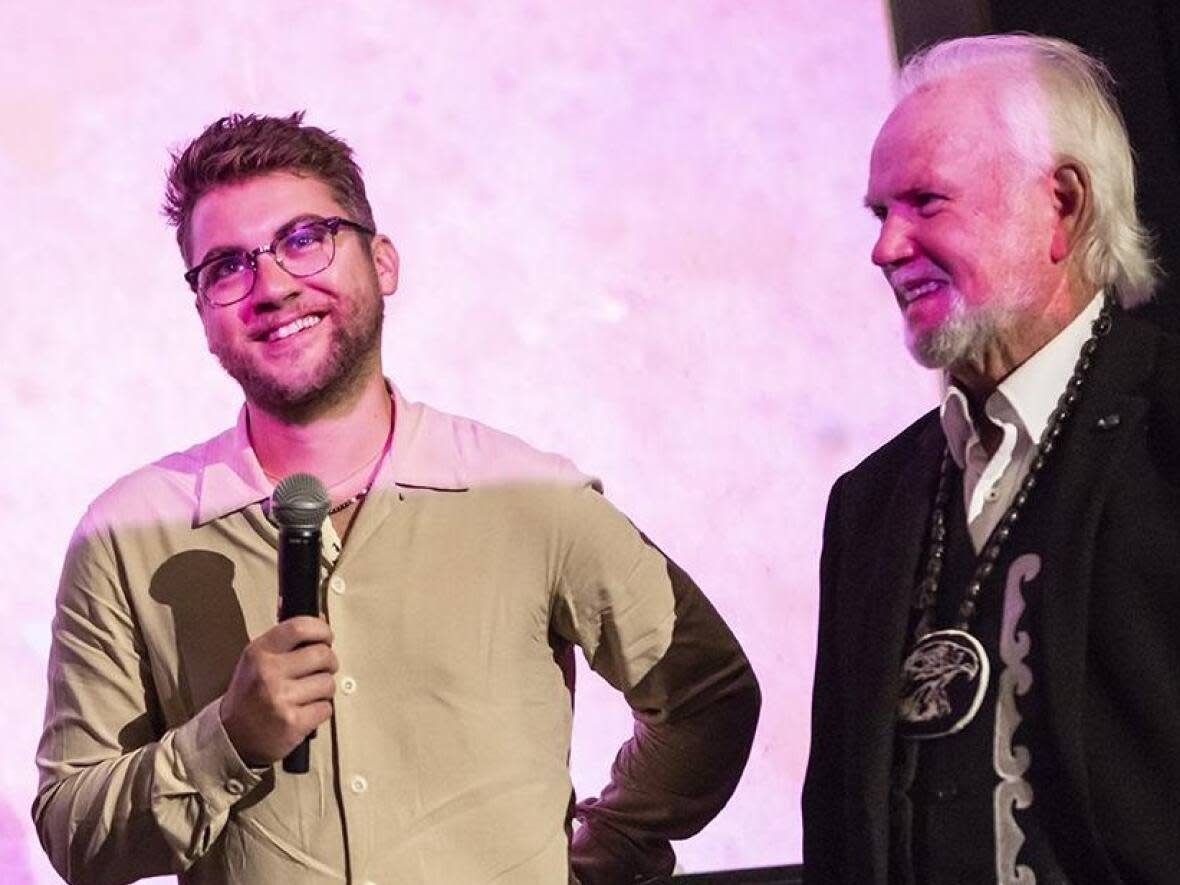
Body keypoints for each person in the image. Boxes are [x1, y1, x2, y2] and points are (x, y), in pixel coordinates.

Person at [33, 113, 760, 885]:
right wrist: (228, 741)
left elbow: (707, 695)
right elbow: (74, 829)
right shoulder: (127, 532)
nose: (272, 285)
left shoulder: (528, 495)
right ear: (203, 314)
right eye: (225, 267)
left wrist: (603, 852)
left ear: (383, 262)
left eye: (305, 238)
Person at [803, 34, 1179, 885]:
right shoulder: (870, 502)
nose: (886, 248)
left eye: (927, 202)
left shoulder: (1167, 434)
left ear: (1064, 205)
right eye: (879, 214)